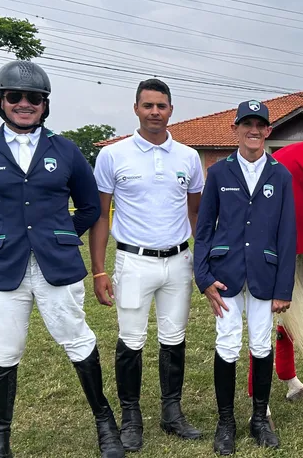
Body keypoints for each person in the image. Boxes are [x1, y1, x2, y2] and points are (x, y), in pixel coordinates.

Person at [0, 60, 124, 458]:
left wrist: (60, 238)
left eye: (34, 98)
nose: (24, 104)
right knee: (3, 352)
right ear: (0, 100)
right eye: (15, 96)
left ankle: (105, 424)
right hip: (3, 270)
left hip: (56, 267)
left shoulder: (66, 150)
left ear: (45, 105)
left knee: (78, 341)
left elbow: (89, 208)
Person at [89, 79, 205, 451]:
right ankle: (131, 417)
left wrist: (204, 261)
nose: (155, 112)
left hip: (178, 261)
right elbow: (100, 215)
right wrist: (99, 270)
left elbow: (196, 213)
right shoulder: (113, 155)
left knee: (174, 338)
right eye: (148, 105)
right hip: (133, 262)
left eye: (161, 105)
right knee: (131, 340)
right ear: (136, 108)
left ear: (171, 110)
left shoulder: (188, 157)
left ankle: (172, 412)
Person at [193, 99, 296, 455]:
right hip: (226, 274)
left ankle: (258, 419)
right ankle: (226, 422)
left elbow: (287, 235)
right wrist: (203, 276)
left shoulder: (281, 176)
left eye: (259, 125)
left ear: (268, 131)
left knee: (261, 345)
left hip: (265, 275)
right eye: (246, 124)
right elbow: (204, 228)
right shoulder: (219, 173)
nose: (253, 130)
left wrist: (284, 288)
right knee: (227, 344)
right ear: (235, 129)